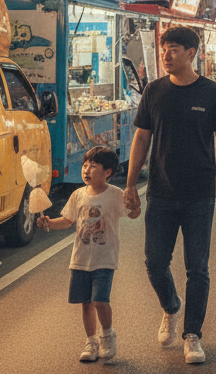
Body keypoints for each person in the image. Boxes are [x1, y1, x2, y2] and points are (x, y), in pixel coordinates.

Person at [123, 25, 216, 365]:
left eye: (173, 49)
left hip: (200, 193)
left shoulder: (212, 93)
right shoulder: (154, 91)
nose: (166, 55)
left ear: (191, 53)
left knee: (197, 268)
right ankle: (171, 306)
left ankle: (192, 335)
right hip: (160, 192)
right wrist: (130, 185)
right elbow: (141, 138)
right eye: (164, 49)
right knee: (154, 261)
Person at [39, 146, 140, 363]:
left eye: (93, 166)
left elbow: (132, 214)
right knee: (86, 303)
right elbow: (67, 220)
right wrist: (49, 223)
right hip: (81, 259)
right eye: (85, 165)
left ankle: (107, 335)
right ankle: (91, 341)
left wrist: (135, 207)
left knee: (100, 300)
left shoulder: (115, 194)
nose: (86, 170)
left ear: (107, 172)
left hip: (105, 259)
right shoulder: (78, 195)